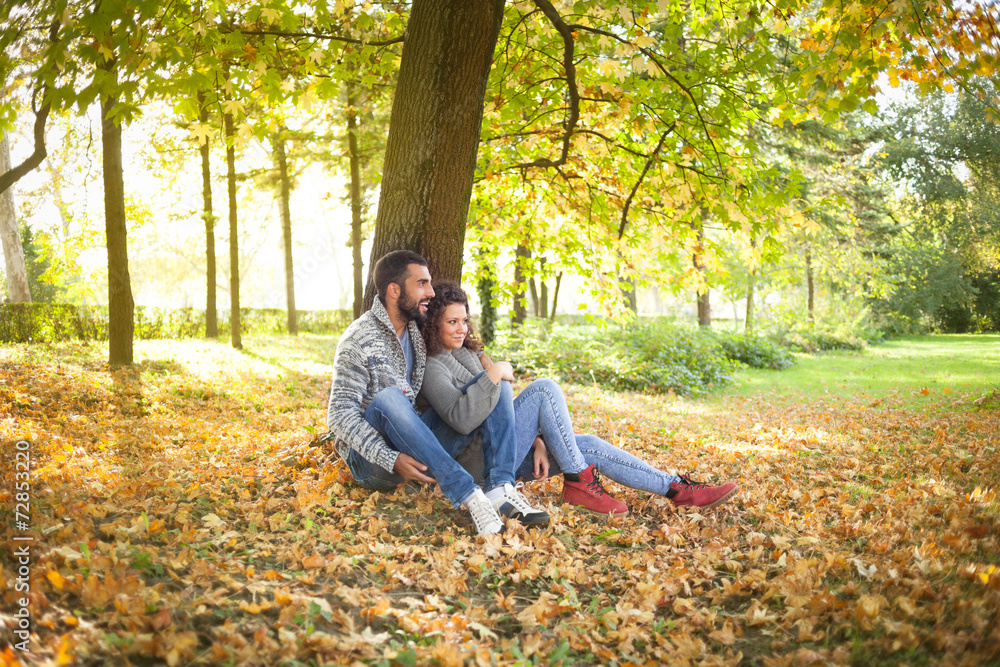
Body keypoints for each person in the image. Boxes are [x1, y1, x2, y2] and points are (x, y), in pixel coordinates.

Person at [417, 281, 739, 515]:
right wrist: (494, 373)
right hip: (480, 467)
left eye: (464, 320)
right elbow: (462, 421)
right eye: (451, 322)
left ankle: (677, 489)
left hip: (501, 451)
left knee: (585, 445)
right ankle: (579, 483)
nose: (461, 329)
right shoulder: (432, 365)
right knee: (544, 389)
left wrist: (537, 441)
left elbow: (498, 413)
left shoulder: (469, 353)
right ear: (434, 324)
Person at [325, 250, 549, 536]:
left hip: (416, 445)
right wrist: (388, 457)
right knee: (389, 398)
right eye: (422, 284)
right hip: (372, 460)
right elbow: (339, 415)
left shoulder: (416, 332)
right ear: (394, 291)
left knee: (495, 382)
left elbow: (457, 337)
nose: (430, 291)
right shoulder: (359, 338)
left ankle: (500, 488)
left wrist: (485, 361)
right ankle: (468, 494)